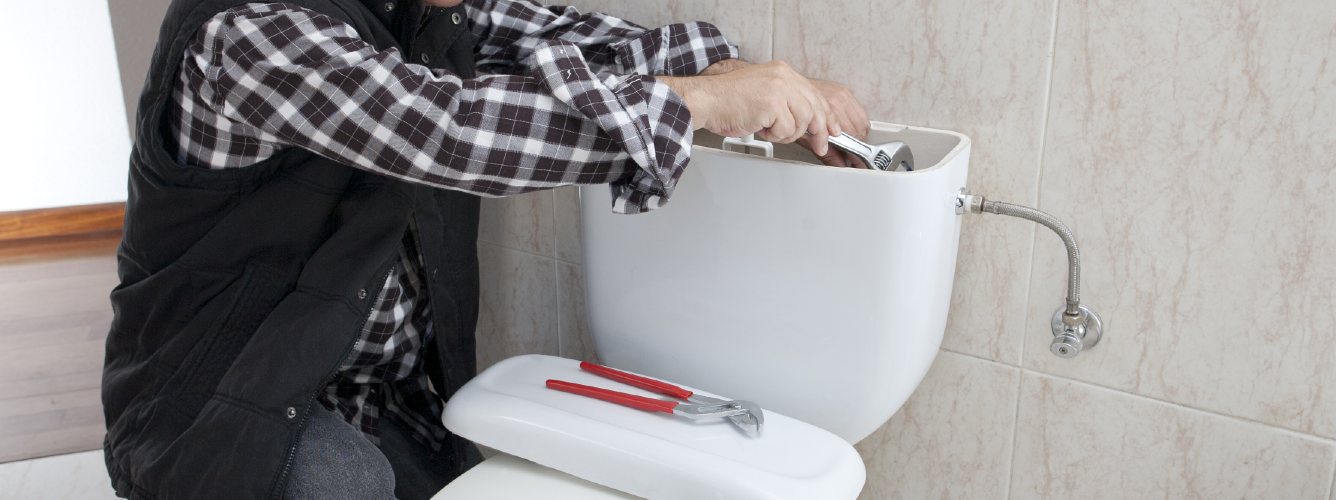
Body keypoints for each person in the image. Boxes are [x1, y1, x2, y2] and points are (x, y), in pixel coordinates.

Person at [101, 0, 870, 498]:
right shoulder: (250, 32)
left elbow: (565, 39)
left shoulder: (429, 9)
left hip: (379, 395)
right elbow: (448, 129)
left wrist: (736, 74)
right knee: (348, 483)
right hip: (212, 407)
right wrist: (693, 103)